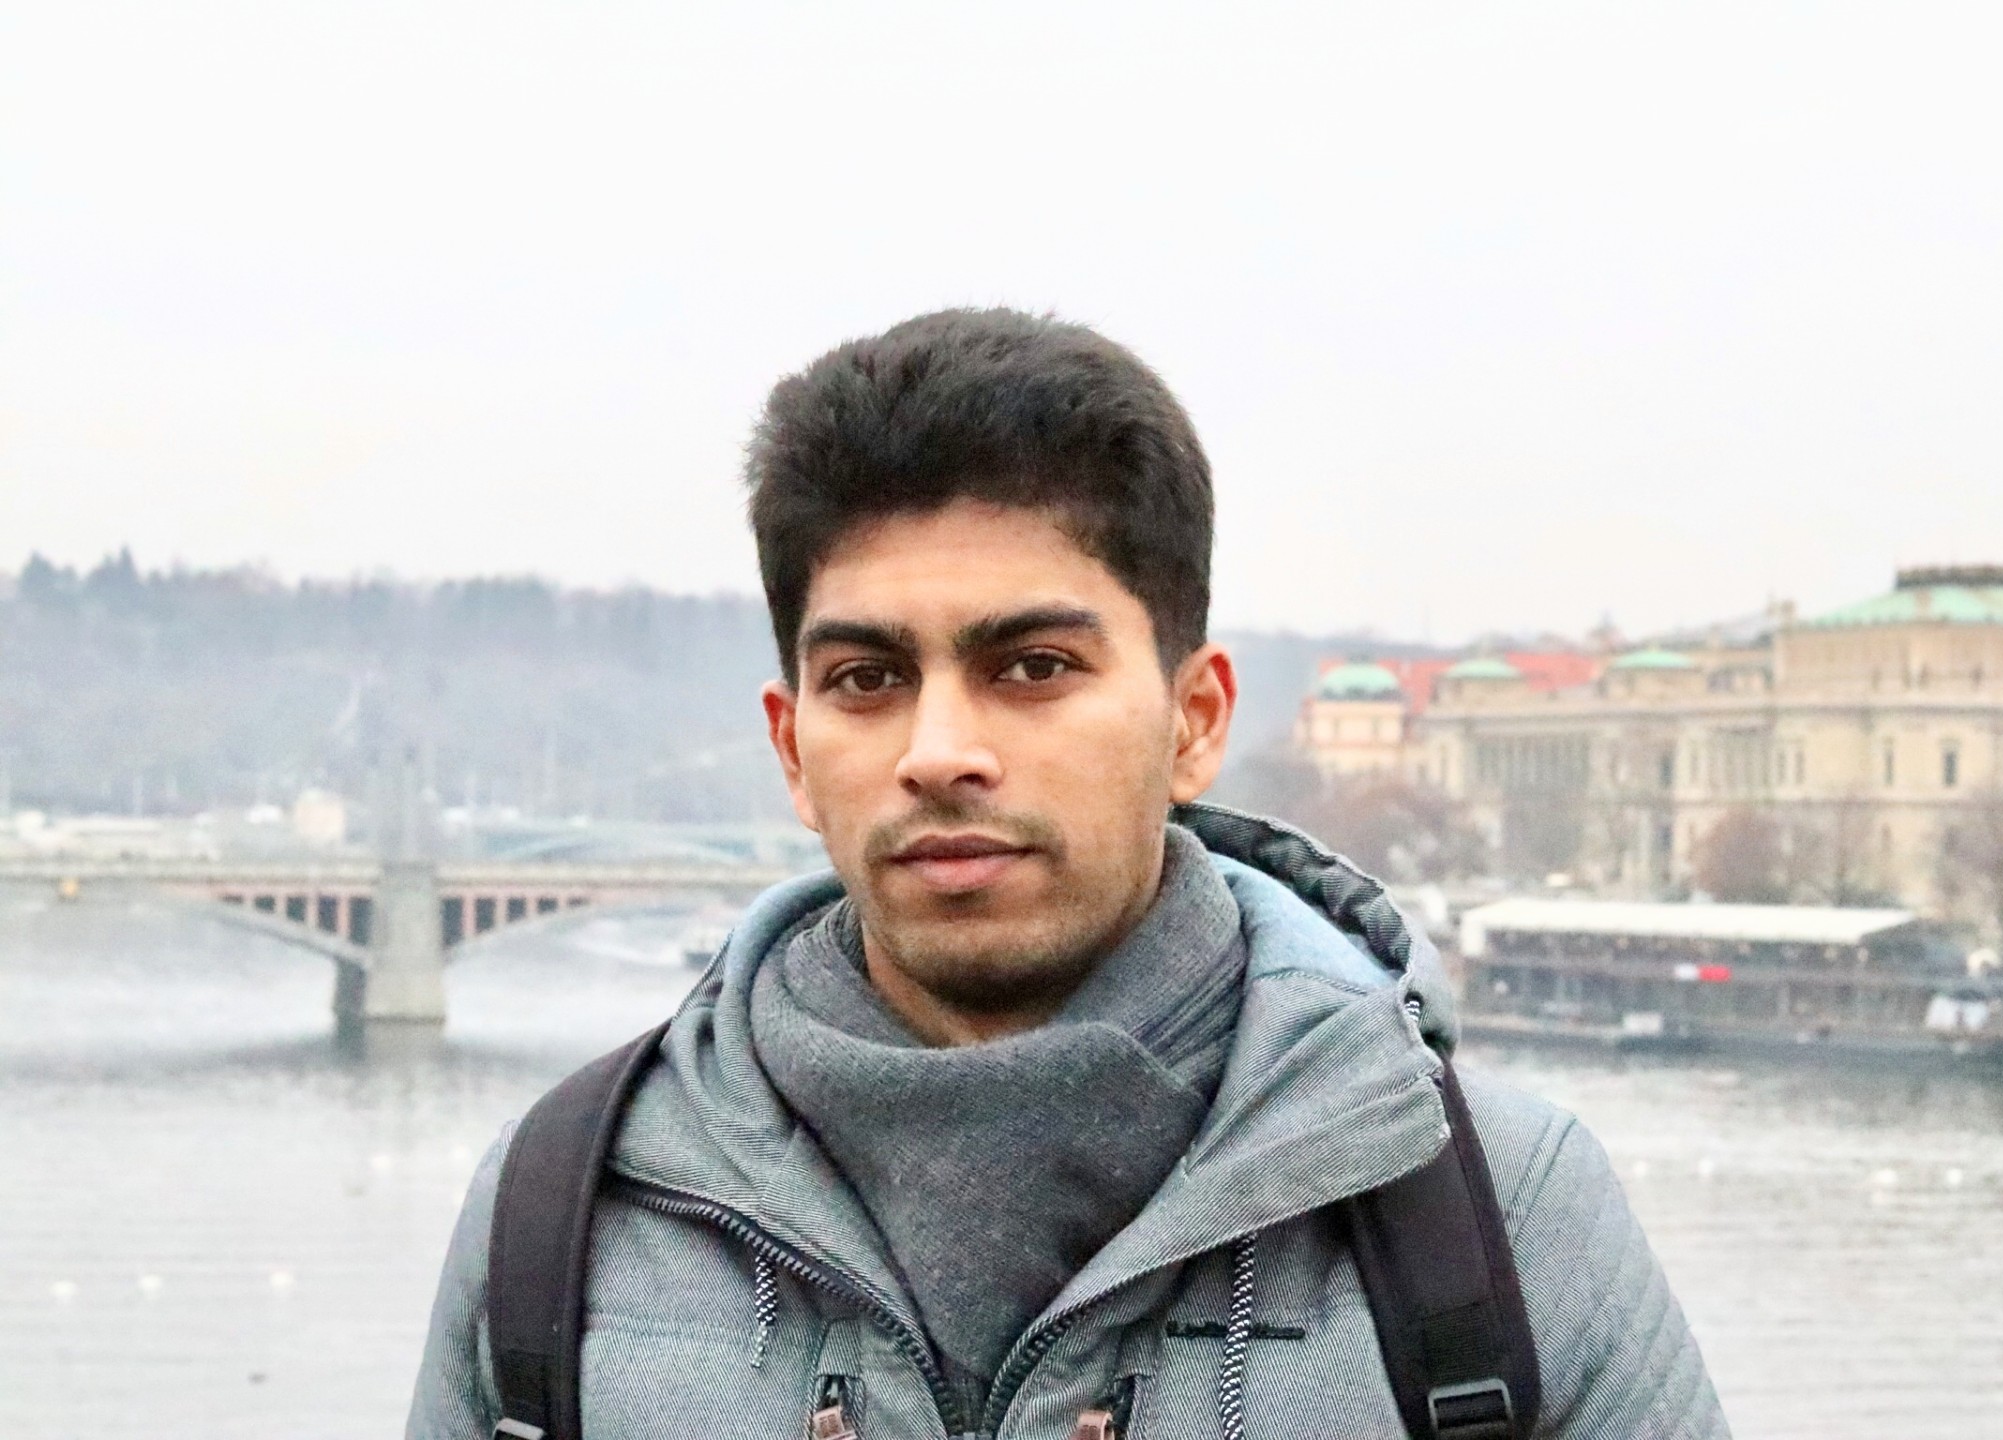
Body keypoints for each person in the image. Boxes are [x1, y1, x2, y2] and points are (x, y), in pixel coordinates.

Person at [406, 309, 1728, 1438]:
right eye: (866, 679)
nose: (939, 752)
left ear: (1194, 722)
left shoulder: (1502, 1215)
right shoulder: (552, 1220)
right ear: (793, 752)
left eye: (1033, 667)